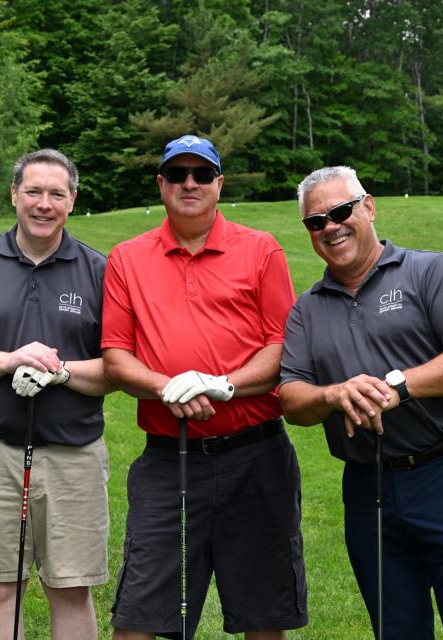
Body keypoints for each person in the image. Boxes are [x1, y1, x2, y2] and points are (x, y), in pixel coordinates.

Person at [278, 166, 443, 639]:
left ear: (368, 206)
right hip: (369, 486)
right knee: (395, 629)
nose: (330, 227)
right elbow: (291, 398)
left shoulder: (431, 270)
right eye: (315, 221)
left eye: (340, 211)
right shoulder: (307, 308)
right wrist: (332, 393)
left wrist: (398, 386)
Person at [102, 135, 307, 640]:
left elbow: (282, 345)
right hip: (167, 460)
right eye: (177, 175)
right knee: (139, 616)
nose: (188, 184)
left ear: (219, 183)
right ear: (161, 185)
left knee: (264, 615)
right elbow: (116, 356)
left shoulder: (260, 250)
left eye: (200, 175)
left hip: (255, 455)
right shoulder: (128, 259)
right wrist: (167, 386)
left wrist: (221, 386)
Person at [0, 149, 113, 640]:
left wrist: (60, 371)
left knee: (71, 587)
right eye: (33, 191)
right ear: (14, 195)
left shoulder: (98, 270)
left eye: (57, 193)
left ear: (73, 201)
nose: (44, 204)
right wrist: (7, 360)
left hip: (72, 453)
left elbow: (115, 369)